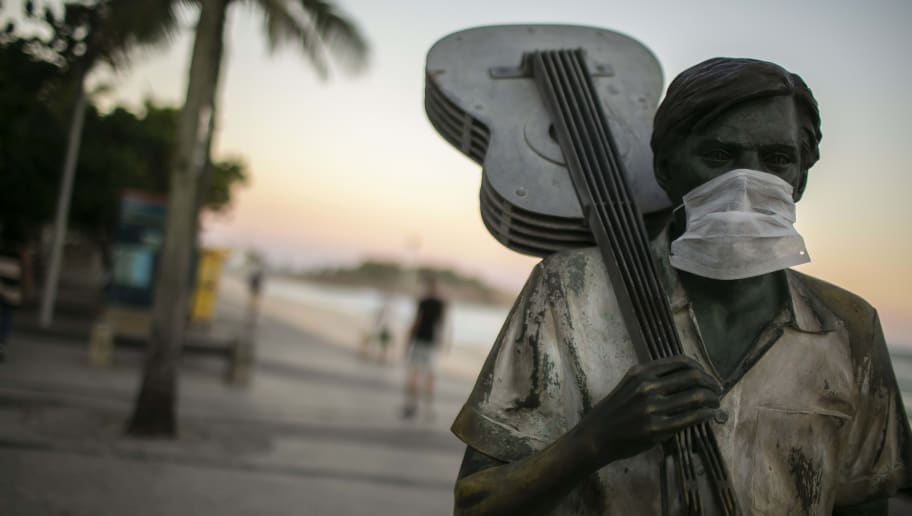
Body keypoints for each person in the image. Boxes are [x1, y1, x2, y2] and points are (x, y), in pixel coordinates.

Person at [451, 58, 912, 515]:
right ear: (666, 168)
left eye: (776, 159)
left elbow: (864, 501)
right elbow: (477, 505)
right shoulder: (569, 291)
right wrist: (593, 441)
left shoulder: (850, 325)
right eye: (718, 156)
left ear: (800, 179)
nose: (746, 183)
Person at [403, 274, 447, 419]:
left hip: (420, 341)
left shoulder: (423, 302)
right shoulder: (441, 304)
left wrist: (408, 341)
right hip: (430, 343)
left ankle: (411, 405)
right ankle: (428, 409)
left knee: (414, 374)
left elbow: (416, 322)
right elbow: (442, 325)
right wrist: (442, 342)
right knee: (429, 377)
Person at [0, 226, 31, 362]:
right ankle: (1, 344)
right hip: (11, 292)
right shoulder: (21, 253)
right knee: (6, 318)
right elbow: (26, 274)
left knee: (5, 317)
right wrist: (26, 292)